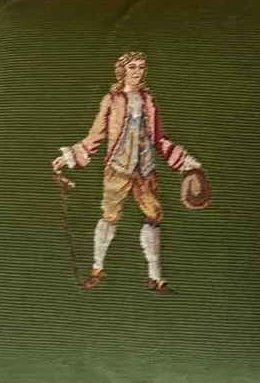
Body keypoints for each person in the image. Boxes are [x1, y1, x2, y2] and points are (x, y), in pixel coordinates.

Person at [51, 51, 201, 294]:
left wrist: (185, 161)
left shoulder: (148, 100)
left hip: (145, 169)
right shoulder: (111, 100)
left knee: (153, 217)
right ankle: (97, 269)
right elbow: (96, 134)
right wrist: (70, 157)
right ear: (122, 71)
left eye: (141, 67)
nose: (137, 72)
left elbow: (159, 139)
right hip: (118, 168)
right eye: (132, 67)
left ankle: (155, 278)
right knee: (109, 217)